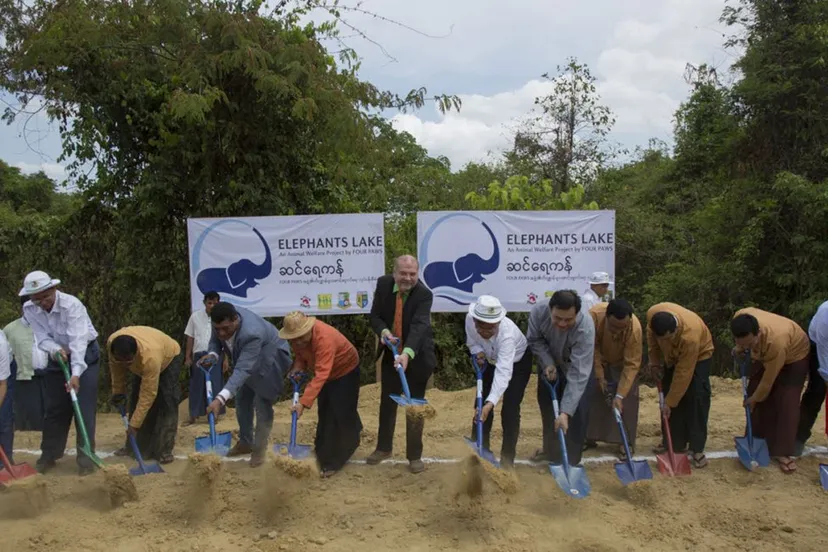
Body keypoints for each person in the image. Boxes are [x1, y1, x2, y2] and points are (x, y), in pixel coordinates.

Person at [20, 270, 100, 476]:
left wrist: (75, 375)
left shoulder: (72, 305)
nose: (43, 303)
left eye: (46, 297)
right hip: (58, 357)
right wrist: (55, 350)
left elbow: (79, 342)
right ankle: (49, 455)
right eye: (37, 299)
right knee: (55, 408)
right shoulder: (30, 309)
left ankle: (85, 460)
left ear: (54, 289)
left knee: (82, 407)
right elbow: (41, 337)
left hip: (85, 356)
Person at [367, 254, 437, 474]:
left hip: (416, 357)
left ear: (417, 273)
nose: (408, 278)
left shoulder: (424, 295)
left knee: (414, 407)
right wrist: (384, 332)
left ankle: (414, 456)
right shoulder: (383, 284)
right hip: (391, 353)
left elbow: (419, 327)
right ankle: (383, 448)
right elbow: (375, 316)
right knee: (387, 403)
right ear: (394, 272)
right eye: (403, 273)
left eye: (412, 274)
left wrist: (406, 353)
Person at [202, 302, 292, 467]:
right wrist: (213, 355)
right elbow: (216, 341)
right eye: (217, 329)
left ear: (235, 320)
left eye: (226, 329)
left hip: (270, 357)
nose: (221, 333)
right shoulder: (221, 322)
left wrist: (219, 400)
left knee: (262, 402)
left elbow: (243, 369)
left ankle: (259, 449)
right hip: (248, 359)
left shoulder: (252, 333)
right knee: (242, 399)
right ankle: (245, 442)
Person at [280, 311, 362, 478]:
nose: (298, 341)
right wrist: (297, 367)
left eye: (301, 337)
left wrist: (303, 403)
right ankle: (324, 451)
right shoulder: (297, 339)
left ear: (309, 329)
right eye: (294, 338)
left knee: (340, 411)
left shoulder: (325, 339)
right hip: (325, 372)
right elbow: (301, 357)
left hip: (345, 369)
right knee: (325, 411)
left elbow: (321, 374)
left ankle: (338, 457)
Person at [731, 307, 810, 473]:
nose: (746, 347)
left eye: (749, 344)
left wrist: (754, 398)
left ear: (758, 333)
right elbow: (748, 348)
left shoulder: (777, 342)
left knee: (786, 399)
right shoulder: (741, 318)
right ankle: (756, 438)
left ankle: (783, 452)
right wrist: (741, 348)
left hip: (794, 355)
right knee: (754, 390)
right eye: (741, 343)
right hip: (764, 351)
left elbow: (768, 382)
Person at [526, 290, 595, 465]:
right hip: (550, 364)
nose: (562, 323)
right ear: (550, 310)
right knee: (548, 407)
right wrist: (548, 363)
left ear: (577, 313)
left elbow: (579, 372)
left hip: (576, 366)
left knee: (575, 412)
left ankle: (570, 460)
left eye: (568, 320)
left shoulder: (585, 326)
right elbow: (534, 340)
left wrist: (565, 412)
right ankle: (551, 453)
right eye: (557, 318)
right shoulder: (538, 312)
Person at [464, 295, 531, 469]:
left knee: (509, 409)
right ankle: (480, 450)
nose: (486, 332)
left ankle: (507, 459)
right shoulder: (469, 320)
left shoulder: (506, 336)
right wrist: (478, 351)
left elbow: (503, 373)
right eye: (482, 328)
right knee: (480, 407)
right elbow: (472, 342)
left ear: (498, 323)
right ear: (476, 321)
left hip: (516, 365)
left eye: (491, 328)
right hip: (489, 360)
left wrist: (491, 403)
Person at [646, 302, 713, 469]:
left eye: (667, 338)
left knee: (695, 398)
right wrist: (654, 363)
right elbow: (653, 343)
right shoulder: (652, 316)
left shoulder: (690, 336)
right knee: (669, 394)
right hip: (672, 357)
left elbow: (684, 372)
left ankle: (697, 448)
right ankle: (673, 443)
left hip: (698, 357)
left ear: (674, 331)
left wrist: (670, 401)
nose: (663, 341)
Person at [108, 326, 183, 464]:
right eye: (121, 360)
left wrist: (134, 425)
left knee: (167, 401)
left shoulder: (150, 358)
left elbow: (148, 395)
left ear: (135, 354)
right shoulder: (112, 344)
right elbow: (116, 369)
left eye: (128, 362)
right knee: (135, 399)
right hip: (142, 360)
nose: (124, 365)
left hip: (168, 356)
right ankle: (132, 446)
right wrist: (118, 391)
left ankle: (165, 450)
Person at [584, 299, 643, 459]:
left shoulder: (634, 329)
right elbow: (592, 347)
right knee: (593, 393)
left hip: (621, 363)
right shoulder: (594, 317)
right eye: (614, 327)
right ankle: (588, 436)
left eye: (621, 328)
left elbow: (632, 364)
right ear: (607, 317)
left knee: (627, 398)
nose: (617, 331)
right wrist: (599, 375)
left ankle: (626, 442)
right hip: (598, 359)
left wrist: (620, 395)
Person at [4, 295, 49, 432]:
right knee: (29, 418)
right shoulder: (10, 329)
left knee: (51, 415)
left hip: (49, 376)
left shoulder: (49, 324)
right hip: (25, 379)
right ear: (23, 308)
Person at [183, 291, 225, 426]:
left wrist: (226, 359)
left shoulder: (221, 318)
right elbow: (190, 337)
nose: (212, 306)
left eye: (215, 303)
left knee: (215, 384)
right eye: (209, 303)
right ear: (204, 303)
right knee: (197, 385)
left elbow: (224, 339)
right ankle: (193, 416)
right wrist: (188, 356)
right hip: (198, 355)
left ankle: (214, 415)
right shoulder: (195, 317)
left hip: (215, 355)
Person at [795, 299, 828, 455]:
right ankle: (797, 438)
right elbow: (824, 355)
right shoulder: (825, 317)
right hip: (819, 347)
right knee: (817, 390)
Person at [0, 331, 12, 460]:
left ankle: (4, 462)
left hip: (2, 377)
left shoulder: (1, 344)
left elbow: (2, 384)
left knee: (2, 417)